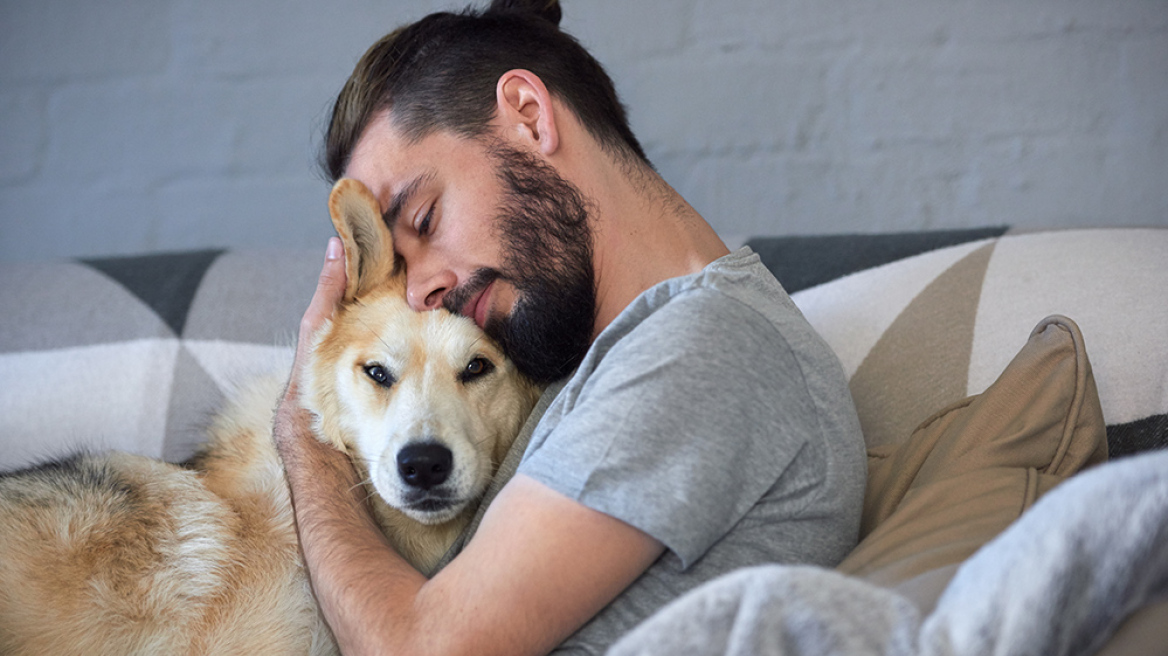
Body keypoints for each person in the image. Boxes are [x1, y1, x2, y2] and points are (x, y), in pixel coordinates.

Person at [273, 1, 867, 654]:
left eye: (425, 219)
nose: (420, 291)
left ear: (530, 116)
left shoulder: (704, 346)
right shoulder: (598, 354)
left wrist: (302, 430)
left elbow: (422, 649)